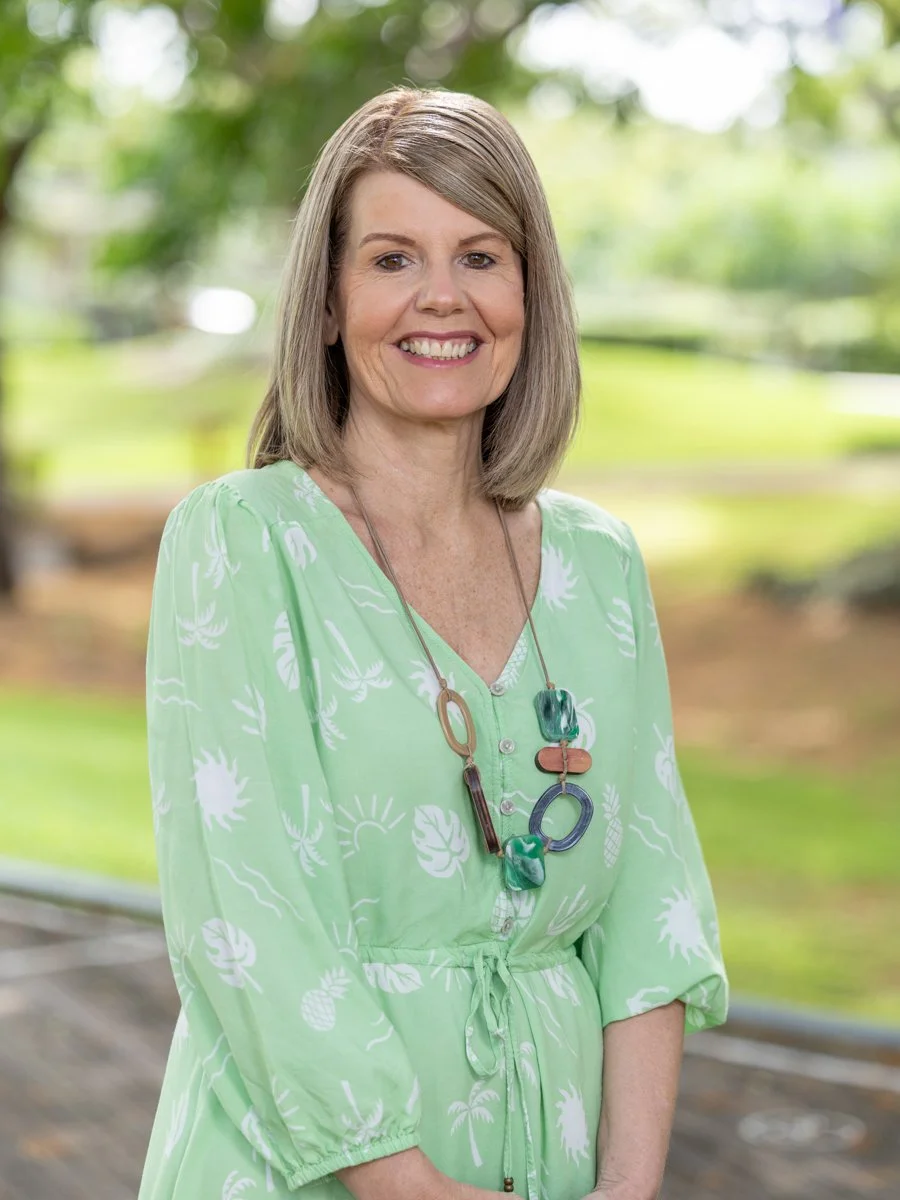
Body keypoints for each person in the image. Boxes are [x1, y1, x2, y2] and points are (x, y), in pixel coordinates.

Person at [138, 86, 728, 1200]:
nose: (443, 298)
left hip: (556, 1163)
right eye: (393, 259)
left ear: (530, 293)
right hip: (303, 1170)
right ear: (326, 302)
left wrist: (626, 1189)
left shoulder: (599, 567)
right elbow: (249, 922)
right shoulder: (243, 545)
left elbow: (654, 915)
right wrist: (412, 1188)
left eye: (482, 256)